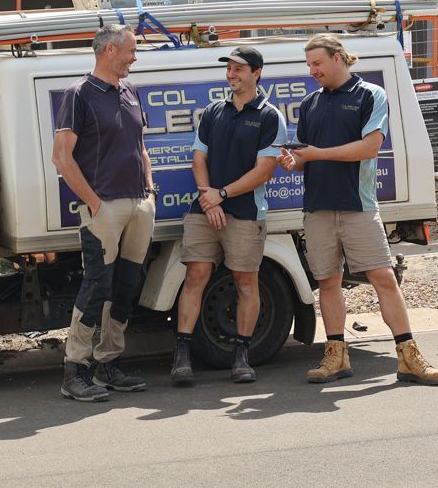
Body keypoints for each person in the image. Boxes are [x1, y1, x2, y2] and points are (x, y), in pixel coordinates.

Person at [280, 33, 438, 386]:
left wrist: (315, 155)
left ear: (339, 58)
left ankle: (409, 357)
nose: (312, 71)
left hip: (358, 205)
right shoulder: (310, 103)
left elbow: (369, 148)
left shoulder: (371, 95)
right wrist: (293, 162)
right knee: (328, 283)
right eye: (309, 64)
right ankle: (336, 356)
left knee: (383, 279)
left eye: (317, 63)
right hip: (317, 207)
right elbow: (304, 154)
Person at [52, 24, 156, 402]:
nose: (134, 57)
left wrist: (149, 189)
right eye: (131, 50)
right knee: (98, 285)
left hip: (138, 203)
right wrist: (94, 203)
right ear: (110, 50)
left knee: (126, 286)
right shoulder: (78, 94)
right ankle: (75, 370)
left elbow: (140, 144)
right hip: (103, 208)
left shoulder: (130, 91)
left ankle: (108, 363)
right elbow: (61, 157)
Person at [172, 46, 287, 385]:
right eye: (229, 69)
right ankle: (182, 357)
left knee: (246, 283)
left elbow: (264, 171)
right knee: (195, 276)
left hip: (246, 212)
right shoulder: (213, 112)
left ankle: (241, 356)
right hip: (205, 209)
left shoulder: (269, 116)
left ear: (256, 73)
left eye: (239, 69)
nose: (231, 74)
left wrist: (221, 195)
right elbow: (198, 159)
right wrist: (210, 200)